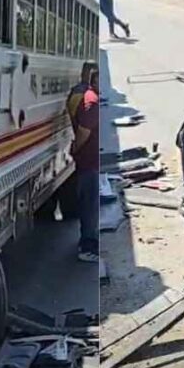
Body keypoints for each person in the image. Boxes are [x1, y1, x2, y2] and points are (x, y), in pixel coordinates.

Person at [70, 66, 100, 262]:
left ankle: (88, 242)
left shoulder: (87, 96)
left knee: (90, 204)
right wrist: (76, 148)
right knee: (90, 206)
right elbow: (84, 131)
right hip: (90, 162)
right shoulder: (91, 101)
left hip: (89, 161)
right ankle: (87, 247)